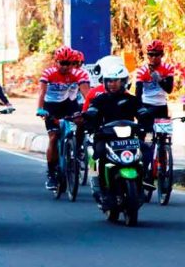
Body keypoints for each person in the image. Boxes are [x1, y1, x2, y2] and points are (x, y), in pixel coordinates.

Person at [84, 62, 150, 204]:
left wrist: (146, 121)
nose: (112, 84)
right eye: (109, 81)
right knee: (100, 154)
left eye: (115, 81)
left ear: (124, 82)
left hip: (129, 139)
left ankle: (143, 182)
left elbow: (142, 113)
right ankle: (104, 191)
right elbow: (92, 112)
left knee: (146, 150)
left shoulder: (132, 100)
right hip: (106, 138)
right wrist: (88, 118)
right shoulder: (100, 100)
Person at [36, 46, 90, 190]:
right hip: (50, 106)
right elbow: (42, 92)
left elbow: (87, 93)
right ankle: (51, 173)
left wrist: (91, 107)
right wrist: (40, 109)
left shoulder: (79, 74)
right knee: (53, 137)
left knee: (81, 121)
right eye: (62, 63)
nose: (65, 67)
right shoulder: (48, 73)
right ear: (56, 62)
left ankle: (77, 147)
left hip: (68, 104)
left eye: (69, 63)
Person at [134, 40, 175, 121]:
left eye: (156, 55)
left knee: (163, 133)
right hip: (146, 105)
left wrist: (158, 78)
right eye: (150, 54)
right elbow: (138, 93)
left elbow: (169, 90)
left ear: (162, 55)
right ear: (147, 55)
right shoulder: (142, 71)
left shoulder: (168, 68)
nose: (153, 57)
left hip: (161, 105)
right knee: (144, 131)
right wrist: (139, 109)